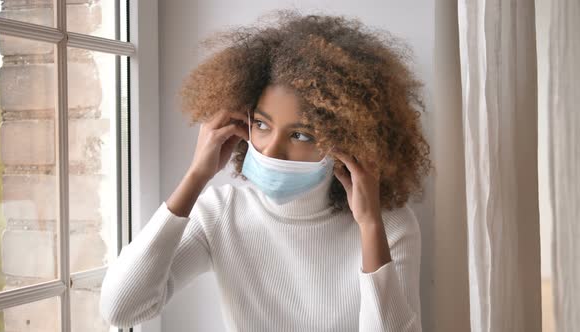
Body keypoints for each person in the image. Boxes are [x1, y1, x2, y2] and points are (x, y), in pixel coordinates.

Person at [99, 9, 432, 331]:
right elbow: (122, 308)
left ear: (344, 142)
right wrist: (196, 176)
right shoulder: (220, 213)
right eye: (261, 124)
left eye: (300, 135)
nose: (271, 149)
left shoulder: (389, 225)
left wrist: (370, 225)